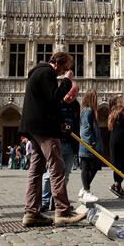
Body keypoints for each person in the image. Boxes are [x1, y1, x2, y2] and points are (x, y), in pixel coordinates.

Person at [19, 52, 86, 226]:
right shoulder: (47, 73)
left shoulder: (36, 73)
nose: (62, 72)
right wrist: (67, 81)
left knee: (36, 169)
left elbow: (46, 103)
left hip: (34, 127)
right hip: (45, 127)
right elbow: (54, 99)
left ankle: (31, 212)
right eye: (64, 68)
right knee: (57, 167)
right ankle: (63, 211)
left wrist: (61, 121)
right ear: (56, 63)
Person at [42, 81, 80, 211]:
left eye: (74, 95)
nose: (71, 97)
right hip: (56, 143)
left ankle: (58, 201)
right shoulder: (56, 103)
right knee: (50, 174)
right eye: (70, 94)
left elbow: (77, 125)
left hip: (70, 144)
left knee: (66, 175)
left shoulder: (76, 106)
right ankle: (45, 202)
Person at [78, 89, 103, 203]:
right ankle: (86, 190)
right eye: (95, 97)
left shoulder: (89, 111)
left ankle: (84, 189)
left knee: (93, 167)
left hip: (92, 146)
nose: (96, 100)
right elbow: (85, 129)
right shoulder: (87, 111)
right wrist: (91, 143)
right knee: (87, 168)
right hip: (88, 146)